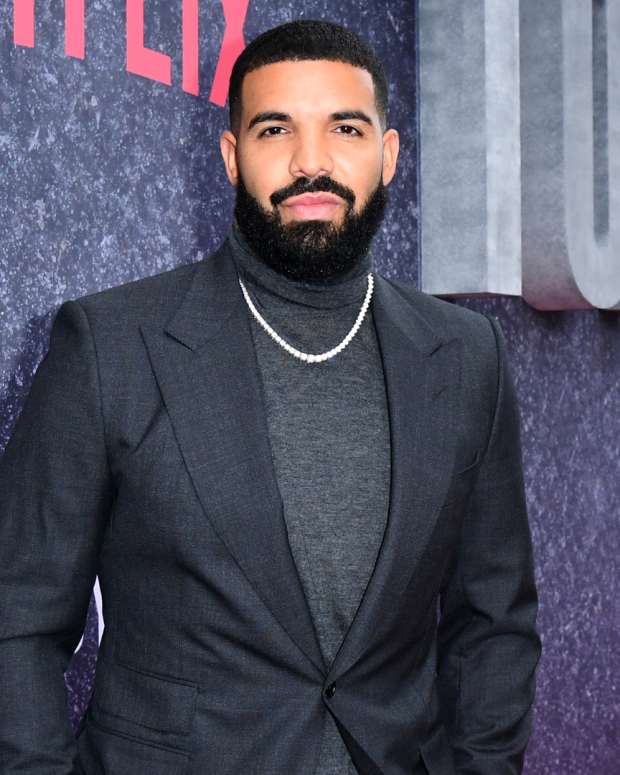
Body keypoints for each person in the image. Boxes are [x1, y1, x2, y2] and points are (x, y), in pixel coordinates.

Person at [0, 18, 541, 775]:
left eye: (345, 129)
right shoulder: (112, 344)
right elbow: (16, 618)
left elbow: (495, 621)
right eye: (274, 129)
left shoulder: (466, 354)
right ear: (231, 157)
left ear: (388, 156)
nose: (310, 162)